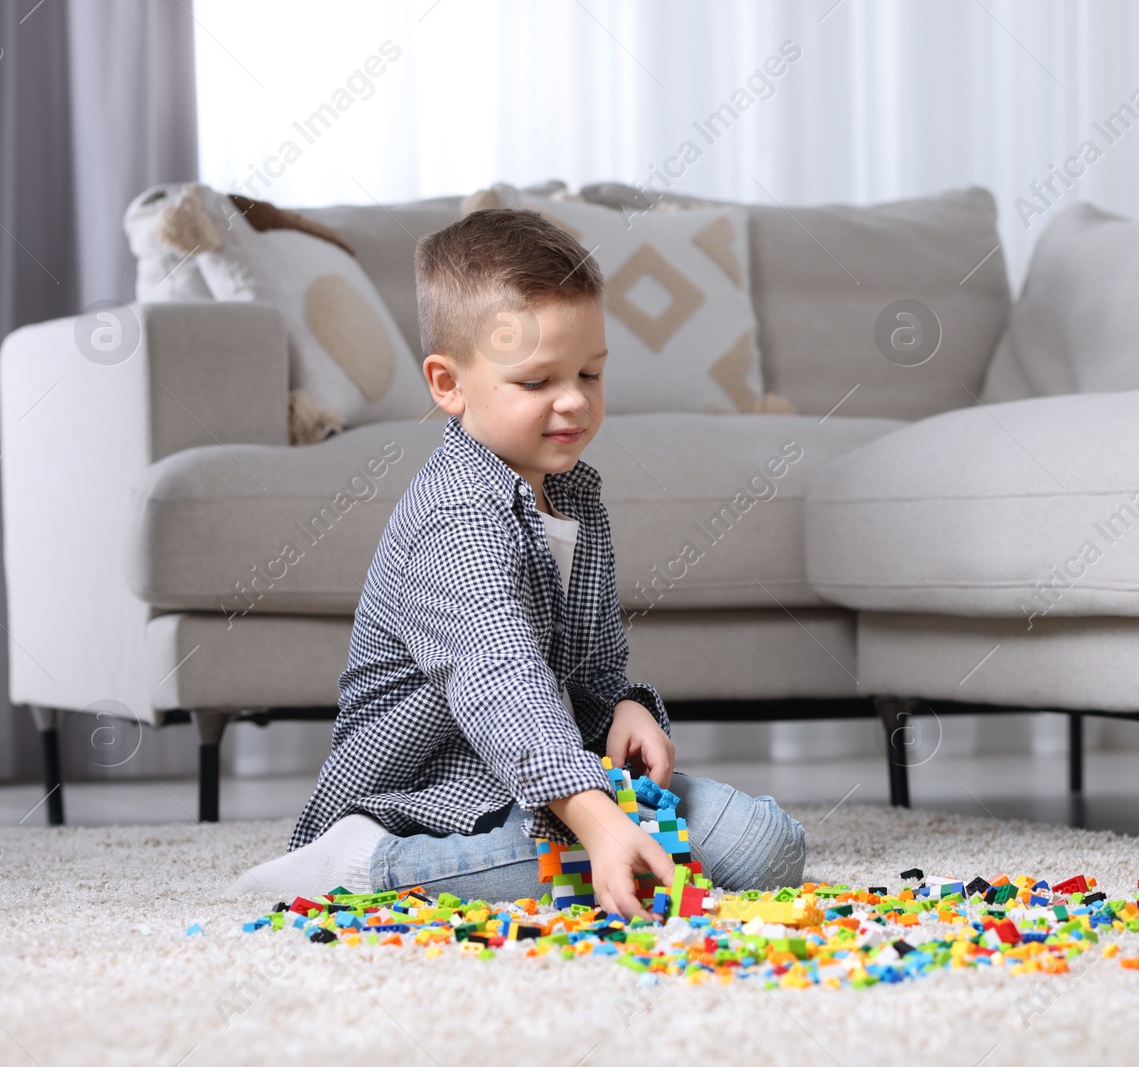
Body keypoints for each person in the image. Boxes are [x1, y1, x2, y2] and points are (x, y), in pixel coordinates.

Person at [230, 207, 806, 917]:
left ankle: (577, 844)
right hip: (430, 795)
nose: (573, 401)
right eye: (536, 383)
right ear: (448, 384)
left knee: (765, 847)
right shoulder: (454, 519)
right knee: (587, 866)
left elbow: (594, 668)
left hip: (551, 777)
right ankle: (362, 864)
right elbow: (500, 683)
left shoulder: (572, 496)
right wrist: (601, 825)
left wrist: (624, 706)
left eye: (590, 373)